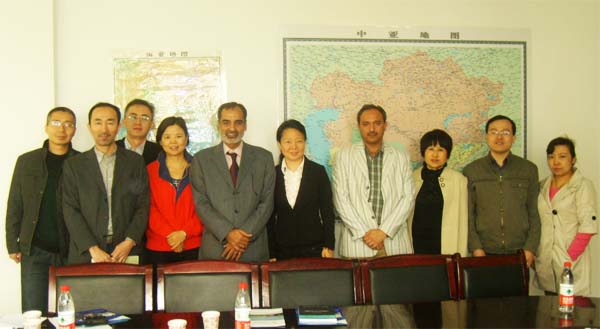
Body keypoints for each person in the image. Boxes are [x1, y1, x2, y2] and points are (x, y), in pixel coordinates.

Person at [5, 107, 79, 312]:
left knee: (68, 312)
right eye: (56, 123)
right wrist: (12, 243)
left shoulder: (82, 162)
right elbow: (15, 202)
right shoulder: (27, 161)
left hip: (71, 251)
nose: (61, 129)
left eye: (68, 124)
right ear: (46, 127)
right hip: (35, 249)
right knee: (34, 312)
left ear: (75, 130)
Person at [62, 102, 149, 264]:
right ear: (89, 127)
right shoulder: (74, 165)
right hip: (87, 252)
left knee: (128, 290)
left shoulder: (134, 162)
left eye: (110, 122)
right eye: (98, 122)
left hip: (126, 250)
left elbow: (142, 205)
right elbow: (70, 209)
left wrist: (129, 242)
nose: (104, 129)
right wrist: (92, 248)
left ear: (119, 126)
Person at [190, 102, 275, 262]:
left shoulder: (264, 158)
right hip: (216, 249)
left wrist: (242, 237)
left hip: (253, 249)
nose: (232, 128)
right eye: (226, 122)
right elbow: (201, 203)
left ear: (245, 125)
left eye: (238, 122)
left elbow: (267, 203)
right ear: (219, 125)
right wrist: (228, 233)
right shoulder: (201, 160)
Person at [333, 104, 415, 258]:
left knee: (396, 283)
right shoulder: (344, 157)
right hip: (357, 244)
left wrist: (384, 232)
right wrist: (366, 235)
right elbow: (340, 200)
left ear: (385, 125)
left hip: (394, 244)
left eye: (377, 123)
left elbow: (408, 198)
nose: (372, 129)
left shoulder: (401, 157)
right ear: (359, 127)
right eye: (366, 124)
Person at [463, 115, 540, 267]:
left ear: (513, 138)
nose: (499, 137)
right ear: (486, 137)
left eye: (505, 132)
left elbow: (534, 211)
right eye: (494, 132)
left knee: (517, 292)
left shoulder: (528, 169)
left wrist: (530, 248)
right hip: (484, 251)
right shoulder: (472, 170)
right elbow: (469, 215)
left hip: (520, 251)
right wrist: (476, 248)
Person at [535, 137, 597, 296]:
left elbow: (588, 226)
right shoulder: (541, 186)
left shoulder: (583, 185)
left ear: (573, 159)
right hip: (546, 260)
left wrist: (570, 257)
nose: (556, 162)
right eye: (551, 157)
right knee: (548, 312)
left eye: (562, 156)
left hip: (570, 261)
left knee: (572, 312)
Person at [267, 119, 335, 260]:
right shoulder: (272, 174)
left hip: (315, 250)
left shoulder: (318, 172)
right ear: (279, 145)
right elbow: (269, 218)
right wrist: (271, 252)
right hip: (282, 252)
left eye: (299, 141)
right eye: (288, 142)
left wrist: (329, 245)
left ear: (305, 142)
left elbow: (327, 212)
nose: (294, 147)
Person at [145, 116, 203, 264]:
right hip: (159, 246)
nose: (173, 142)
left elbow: (206, 206)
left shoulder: (200, 168)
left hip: (193, 244)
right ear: (160, 140)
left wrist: (184, 233)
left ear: (187, 138)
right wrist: (172, 236)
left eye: (178, 136)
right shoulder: (150, 171)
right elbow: (148, 208)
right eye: (167, 137)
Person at [410, 129, 468, 256]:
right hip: (417, 245)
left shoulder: (459, 180)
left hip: (446, 246)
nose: (435, 155)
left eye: (441, 150)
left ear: (447, 154)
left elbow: (463, 222)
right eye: (431, 149)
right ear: (423, 152)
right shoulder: (412, 178)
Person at [116, 98, 161, 165]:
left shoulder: (160, 153)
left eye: (144, 118)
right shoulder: (112, 149)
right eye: (133, 117)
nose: (138, 122)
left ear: (152, 124)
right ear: (124, 121)